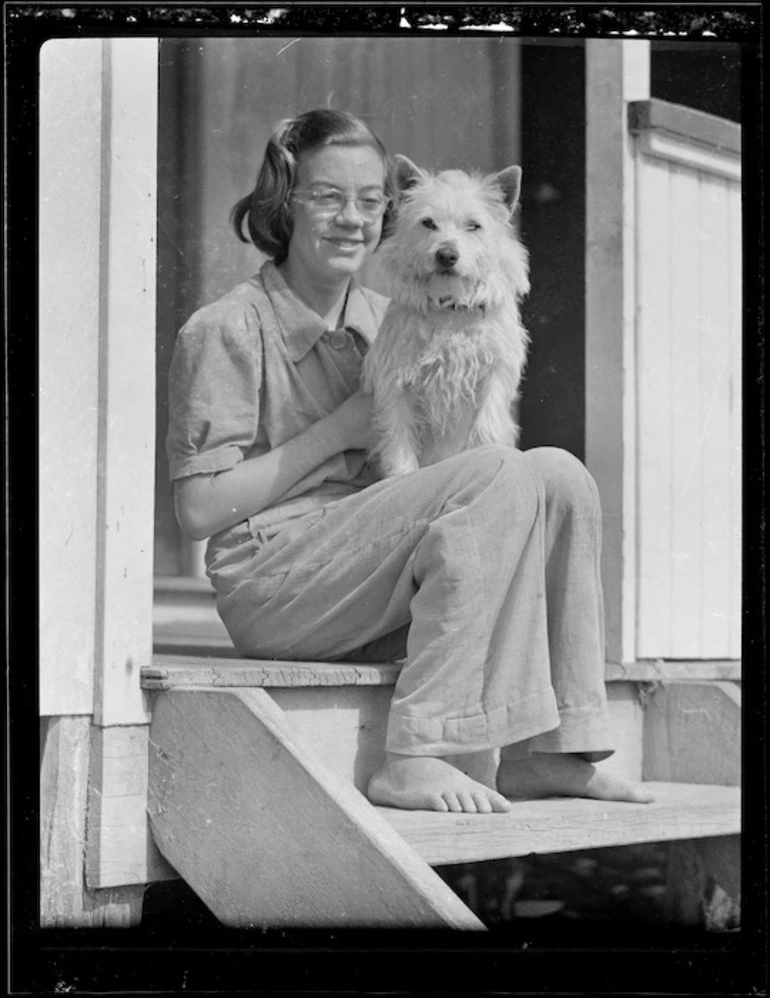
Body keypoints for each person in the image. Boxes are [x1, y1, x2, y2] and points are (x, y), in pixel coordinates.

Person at [166, 108, 653, 814]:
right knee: (501, 470)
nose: (352, 219)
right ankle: (417, 754)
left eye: (370, 201)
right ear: (283, 204)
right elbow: (198, 511)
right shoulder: (227, 328)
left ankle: (549, 749)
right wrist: (337, 429)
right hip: (277, 584)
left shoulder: (391, 310)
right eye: (328, 197)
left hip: (375, 571)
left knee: (558, 473)